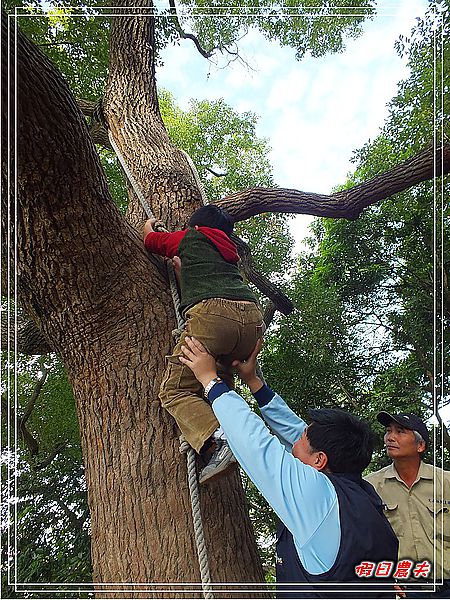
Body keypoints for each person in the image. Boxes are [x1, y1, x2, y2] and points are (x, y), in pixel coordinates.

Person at [179, 335, 399, 599]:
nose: (293, 443)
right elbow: (294, 430)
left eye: (303, 440)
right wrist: (254, 382)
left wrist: (209, 381)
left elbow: (255, 443)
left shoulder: (315, 496)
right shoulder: (361, 497)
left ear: (319, 461)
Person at [143, 205, 265, 483]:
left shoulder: (190, 238)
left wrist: (148, 224)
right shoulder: (228, 254)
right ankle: (231, 427)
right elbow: (202, 274)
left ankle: (219, 441)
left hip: (214, 317)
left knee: (175, 390)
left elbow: (152, 242)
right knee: (218, 381)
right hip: (251, 323)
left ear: (195, 227)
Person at [365, 412, 450, 598]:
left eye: (400, 431)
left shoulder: (446, 483)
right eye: (388, 431)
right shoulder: (370, 486)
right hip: (404, 590)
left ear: (420, 445)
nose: (390, 437)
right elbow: (365, 539)